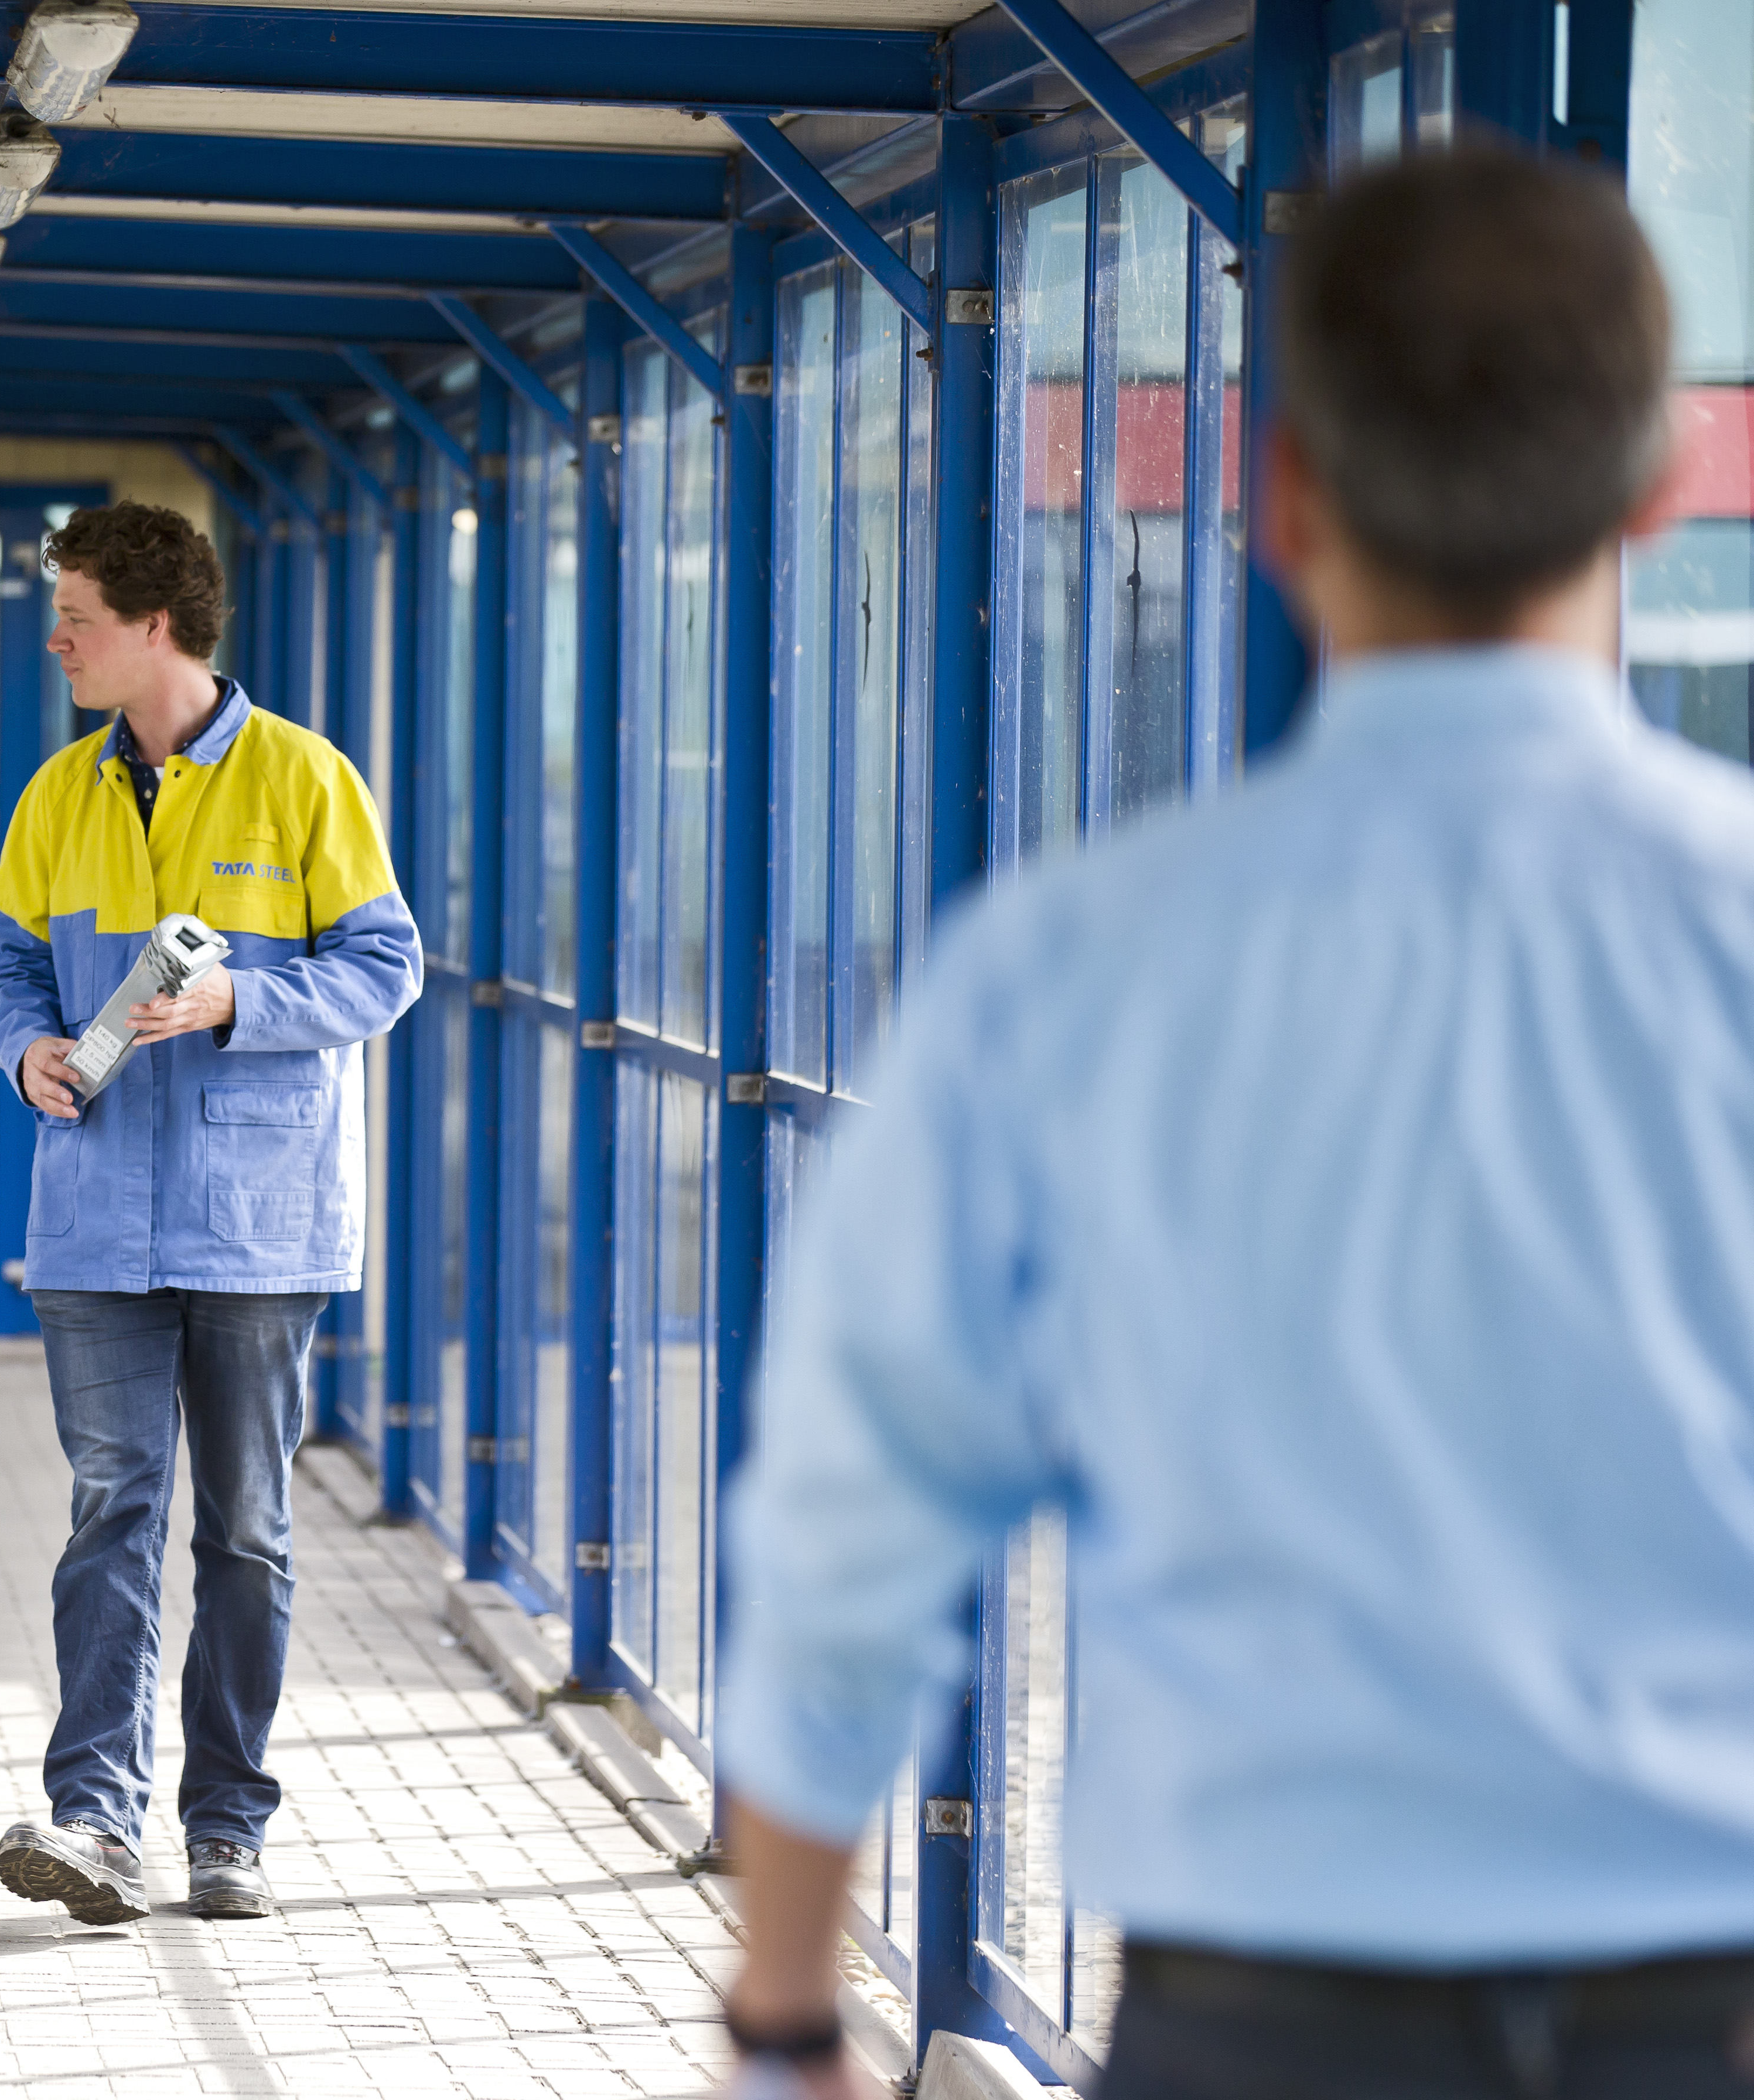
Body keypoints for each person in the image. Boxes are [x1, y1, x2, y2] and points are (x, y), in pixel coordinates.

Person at [709, 149, 1754, 2099]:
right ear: (1655, 493)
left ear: (1279, 500)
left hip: (1259, 2028)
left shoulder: (1068, 972)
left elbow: (853, 1526)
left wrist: (782, 2016)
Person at [0, 503, 422, 1923]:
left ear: (155, 624)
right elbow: (5, 962)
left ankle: (227, 1826)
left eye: (79, 617)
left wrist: (241, 998)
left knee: (247, 1529)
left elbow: (386, 967)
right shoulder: (58, 794)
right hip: (99, 1220)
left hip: (259, 1217)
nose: (58, 639)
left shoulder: (303, 779)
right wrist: (25, 1047)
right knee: (112, 1510)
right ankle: (95, 1821)